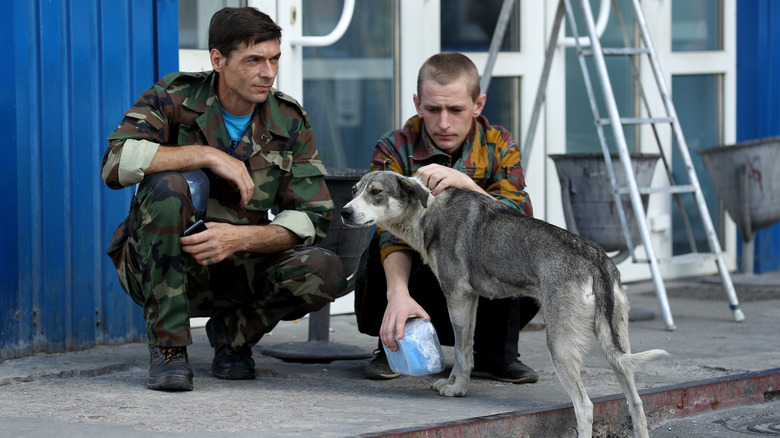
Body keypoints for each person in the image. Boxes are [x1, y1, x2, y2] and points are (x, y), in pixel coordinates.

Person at [101, 7, 346, 391]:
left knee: (325, 269)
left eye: (274, 59)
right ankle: (169, 349)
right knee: (165, 187)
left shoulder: (288, 119)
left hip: (238, 265)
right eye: (253, 60)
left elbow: (312, 217)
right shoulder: (174, 96)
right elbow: (114, 164)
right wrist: (209, 155)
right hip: (165, 263)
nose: (268, 73)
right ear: (217, 59)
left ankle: (233, 338)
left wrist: (239, 238)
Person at [354, 52, 541, 383]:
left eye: (456, 110)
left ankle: (495, 355)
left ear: (478, 104)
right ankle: (393, 343)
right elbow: (387, 232)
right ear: (417, 103)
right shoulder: (395, 147)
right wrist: (397, 293)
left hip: (485, 283)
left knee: (516, 251)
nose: (443, 123)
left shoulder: (498, 144)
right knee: (387, 238)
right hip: (420, 285)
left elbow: (519, 223)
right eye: (432, 109)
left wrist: (468, 186)